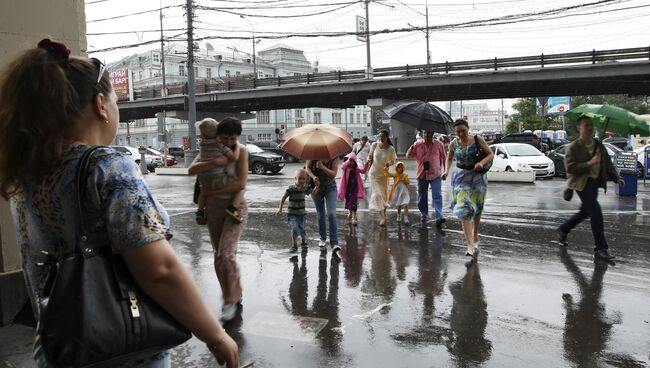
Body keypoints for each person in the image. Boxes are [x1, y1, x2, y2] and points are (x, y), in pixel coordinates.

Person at [0, 39, 238, 367]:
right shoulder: (107, 166)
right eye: (115, 101)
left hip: (60, 345)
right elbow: (160, 270)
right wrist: (214, 334)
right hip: (123, 349)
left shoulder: (27, 172)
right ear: (101, 104)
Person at [188, 117, 249, 322]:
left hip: (235, 207)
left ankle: (231, 299)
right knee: (218, 255)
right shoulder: (212, 150)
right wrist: (214, 163)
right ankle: (230, 294)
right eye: (224, 138)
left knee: (227, 255)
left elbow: (240, 184)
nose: (228, 142)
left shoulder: (242, 152)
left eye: (232, 138)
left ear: (237, 137)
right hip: (213, 208)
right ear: (217, 136)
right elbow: (192, 169)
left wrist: (213, 190)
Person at [557, 115, 624, 261]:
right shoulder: (573, 147)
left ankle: (564, 229)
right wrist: (589, 163)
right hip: (581, 184)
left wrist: (617, 177)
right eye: (586, 125)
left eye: (591, 125)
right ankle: (601, 248)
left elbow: (607, 163)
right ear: (579, 127)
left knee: (585, 212)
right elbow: (570, 168)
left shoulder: (599, 145)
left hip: (594, 183)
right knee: (596, 212)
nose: (589, 127)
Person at [442, 119, 494, 258]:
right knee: (463, 208)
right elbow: (449, 158)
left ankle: (475, 235)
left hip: (477, 177)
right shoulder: (453, 143)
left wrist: (481, 163)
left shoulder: (478, 139)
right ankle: (469, 244)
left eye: (463, 131)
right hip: (460, 177)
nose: (460, 134)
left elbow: (490, 154)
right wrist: (446, 171)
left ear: (468, 128)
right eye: (457, 131)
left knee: (477, 208)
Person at [195, 117, 243, 225]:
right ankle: (233, 209)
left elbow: (192, 169)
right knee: (241, 188)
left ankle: (200, 211)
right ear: (218, 134)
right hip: (218, 178)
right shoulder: (220, 145)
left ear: (202, 135)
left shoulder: (202, 145)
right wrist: (238, 147)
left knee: (203, 194)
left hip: (203, 179)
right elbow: (234, 157)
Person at [406, 129, 447, 226]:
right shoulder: (417, 144)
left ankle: (439, 217)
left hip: (435, 174)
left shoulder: (439, 144)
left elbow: (444, 158)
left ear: (432, 133)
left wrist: (445, 171)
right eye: (425, 133)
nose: (427, 135)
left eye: (429, 132)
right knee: (422, 197)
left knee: (437, 196)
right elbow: (408, 156)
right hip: (422, 174)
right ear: (422, 133)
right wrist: (411, 148)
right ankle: (423, 213)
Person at [305, 157, 340, 257]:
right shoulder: (312, 152)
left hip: (330, 187)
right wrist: (313, 177)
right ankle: (323, 238)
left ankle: (334, 243)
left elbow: (333, 174)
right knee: (320, 213)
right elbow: (307, 168)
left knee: (331, 214)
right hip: (316, 188)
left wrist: (322, 167)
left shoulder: (334, 155)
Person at [277, 168, 318, 252]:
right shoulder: (291, 188)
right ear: (295, 178)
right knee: (295, 228)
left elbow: (313, 193)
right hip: (292, 213)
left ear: (306, 179)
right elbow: (284, 197)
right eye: (299, 178)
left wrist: (317, 186)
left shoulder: (305, 187)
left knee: (302, 228)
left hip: (302, 214)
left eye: (303, 179)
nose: (301, 180)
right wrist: (280, 208)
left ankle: (303, 241)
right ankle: (294, 245)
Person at [367, 130, 397, 227]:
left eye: (383, 137)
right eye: (380, 137)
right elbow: (370, 156)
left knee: (383, 195)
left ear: (387, 137)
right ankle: (382, 217)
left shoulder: (391, 149)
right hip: (373, 174)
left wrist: (389, 163)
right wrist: (368, 159)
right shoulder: (374, 145)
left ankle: (384, 213)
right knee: (377, 194)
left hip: (384, 175)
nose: (381, 138)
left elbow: (393, 160)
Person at [337, 152, 368, 226]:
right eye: (350, 161)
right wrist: (349, 159)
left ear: (355, 162)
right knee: (349, 201)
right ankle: (350, 213)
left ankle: (354, 217)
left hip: (355, 188)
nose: (351, 163)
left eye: (353, 161)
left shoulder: (356, 169)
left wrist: (367, 164)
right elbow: (342, 166)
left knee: (353, 202)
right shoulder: (346, 168)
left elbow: (363, 171)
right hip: (347, 188)